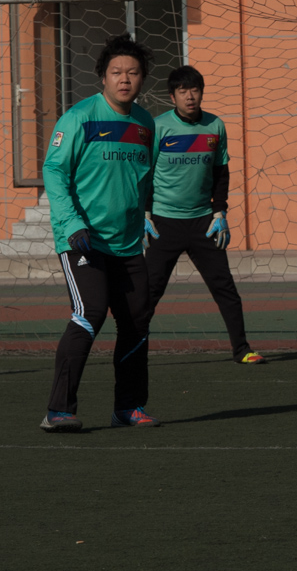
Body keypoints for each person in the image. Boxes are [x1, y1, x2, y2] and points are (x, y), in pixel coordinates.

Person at [40, 34, 161, 432]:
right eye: (116, 72)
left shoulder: (145, 124)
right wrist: (72, 222)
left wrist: (145, 215)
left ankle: (128, 407)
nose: (125, 79)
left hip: (127, 244)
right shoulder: (79, 118)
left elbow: (143, 177)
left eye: (133, 72)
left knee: (136, 321)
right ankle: (58, 410)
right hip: (82, 239)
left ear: (142, 79)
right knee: (89, 314)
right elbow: (54, 171)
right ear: (102, 78)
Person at [144, 65, 266, 365]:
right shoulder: (159, 127)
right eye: (183, 91)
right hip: (163, 222)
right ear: (172, 96)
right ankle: (133, 351)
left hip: (203, 222)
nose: (190, 96)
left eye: (195, 90)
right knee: (148, 292)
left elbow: (221, 172)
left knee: (225, 288)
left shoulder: (215, 126)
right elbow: (144, 173)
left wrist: (219, 210)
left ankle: (242, 350)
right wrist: (143, 213)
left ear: (201, 93)